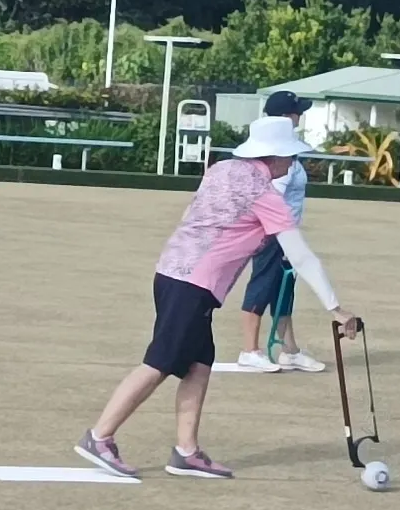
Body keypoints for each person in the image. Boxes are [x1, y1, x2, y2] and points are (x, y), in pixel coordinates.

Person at [74, 116, 359, 480]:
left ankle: (187, 452)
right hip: (194, 283)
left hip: (170, 272)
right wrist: (335, 307)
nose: (293, 162)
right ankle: (99, 437)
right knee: (160, 361)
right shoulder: (264, 194)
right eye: (291, 156)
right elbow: (301, 255)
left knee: (199, 363)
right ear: (275, 157)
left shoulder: (221, 169)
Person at [237, 90, 323, 372]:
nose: (301, 115)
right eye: (297, 111)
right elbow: (271, 196)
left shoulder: (289, 151)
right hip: (273, 233)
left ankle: (289, 350)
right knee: (262, 287)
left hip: (286, 232)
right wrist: (281, 236)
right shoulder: (279, 157)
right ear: (286, 117)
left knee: (283, 291)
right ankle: (249, 349)